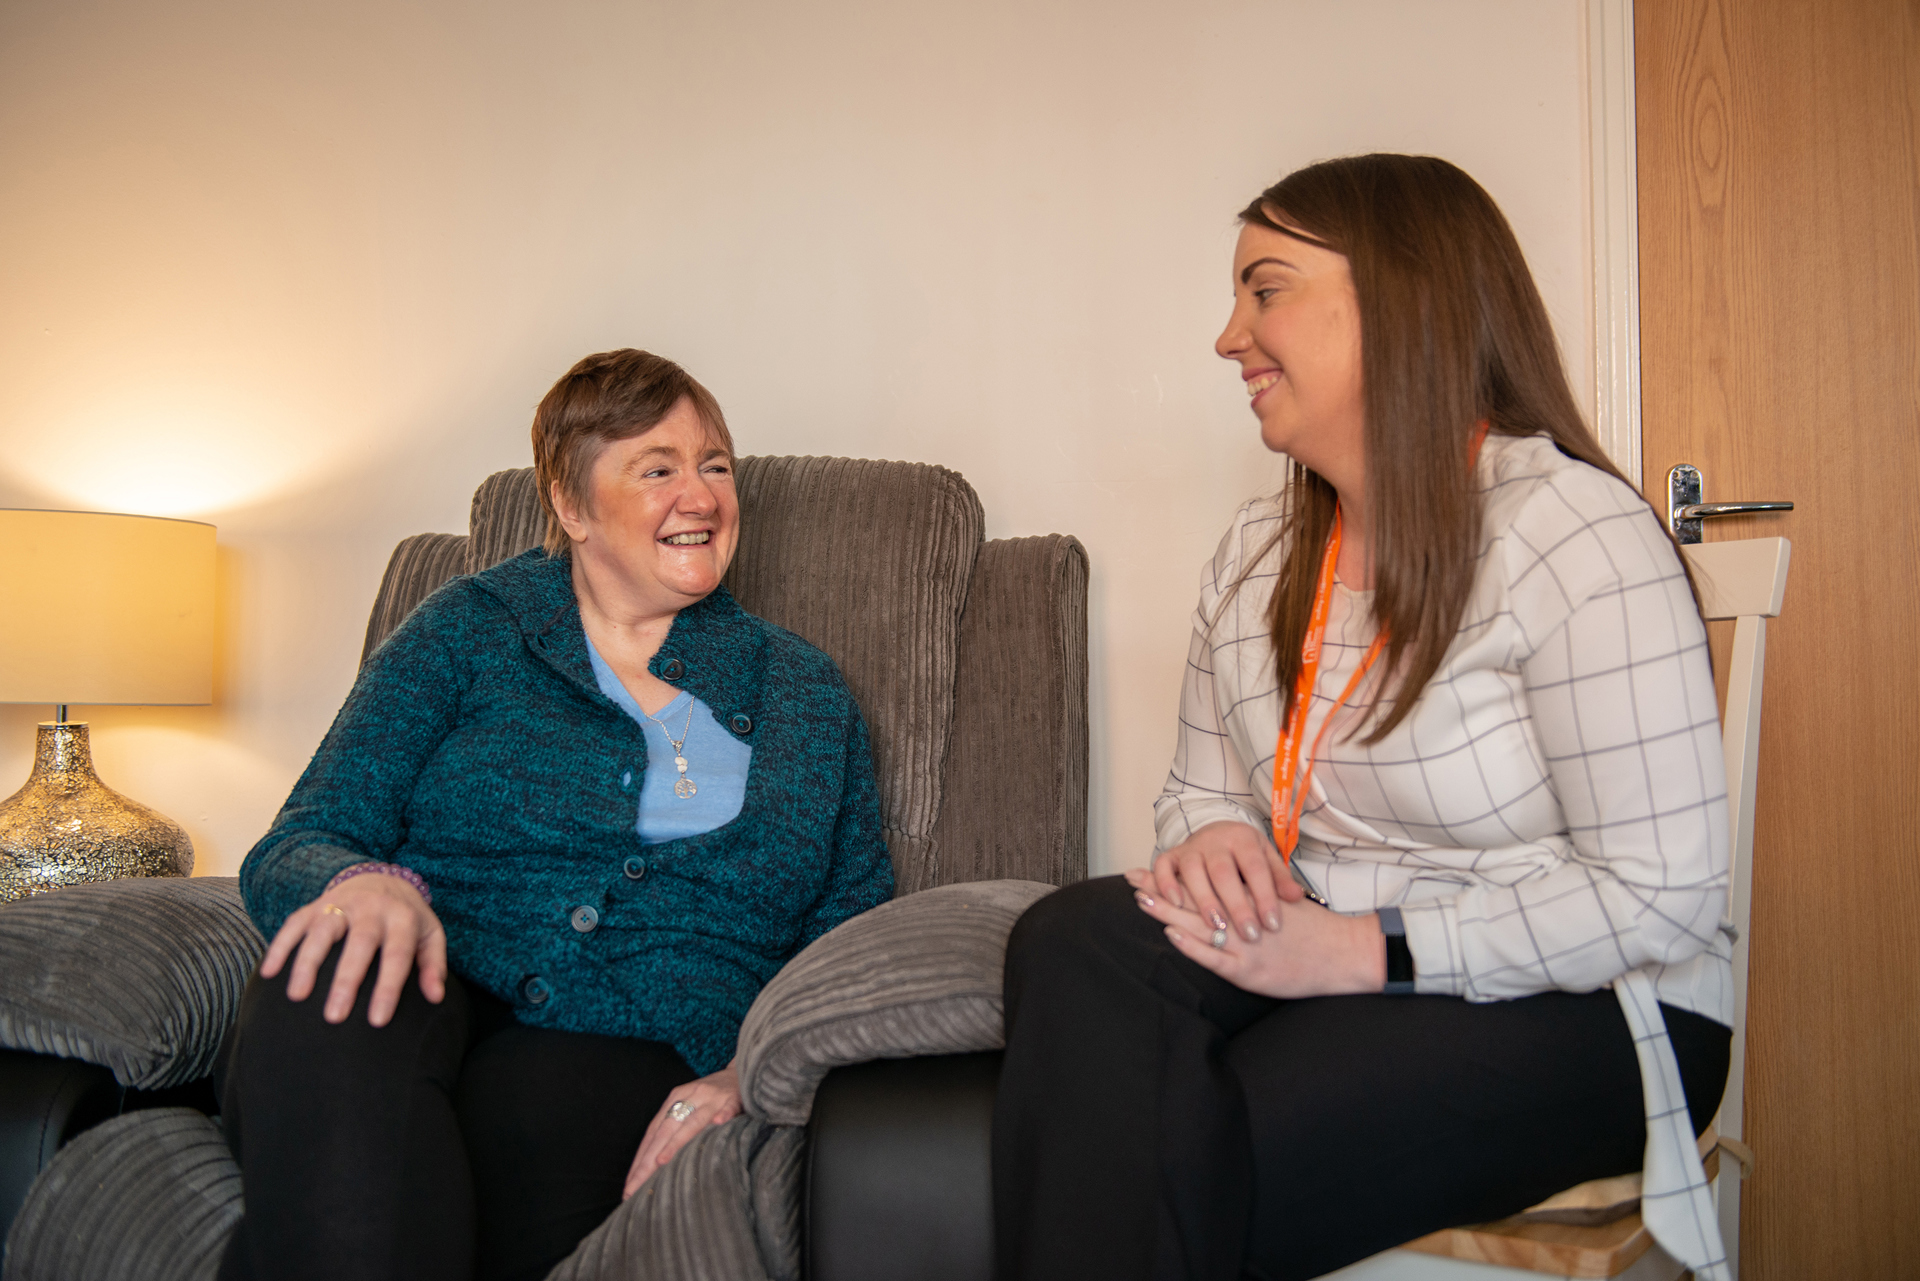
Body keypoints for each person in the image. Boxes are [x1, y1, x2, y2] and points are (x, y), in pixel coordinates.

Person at [992, 155, 1735, 1281]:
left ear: (1397, 298)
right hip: (1320, 943)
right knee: (1076, 937)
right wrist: (1217, 838)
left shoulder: (1570, 533)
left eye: (1265, 288)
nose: (1229, 336)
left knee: (1185, 1136)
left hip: (1583, 1000)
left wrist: (1361, 953)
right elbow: (1198, 788)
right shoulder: (1258, 553)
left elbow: (1662, 895)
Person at [218, 349, 893, 1281]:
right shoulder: (465, 629)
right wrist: (366, 881)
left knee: (527, 1120)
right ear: (571, 506)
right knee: (326, 981)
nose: (699, 495)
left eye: (716, 465)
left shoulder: (805, 692)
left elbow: (852, 939)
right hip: (429, 977)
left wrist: (752, 1075)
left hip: (630, 1037)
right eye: (657, 468)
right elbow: (299, 837)